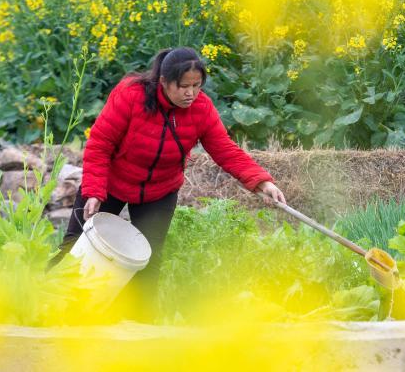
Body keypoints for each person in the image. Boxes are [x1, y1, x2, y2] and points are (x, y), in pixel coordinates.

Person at [49, 46, 286, 317]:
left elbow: (225, 149)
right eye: (183, 86)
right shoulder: (131, 95)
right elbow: (100, 144)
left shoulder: (201, 109)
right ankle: (48, 306)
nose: (191, 93)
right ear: (163, 81)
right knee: (75, 242)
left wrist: (261, 182)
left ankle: (134, 326)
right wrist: (93, 191)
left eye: (197, 85)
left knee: (146, 260)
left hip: (159, 190)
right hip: (111, 182)